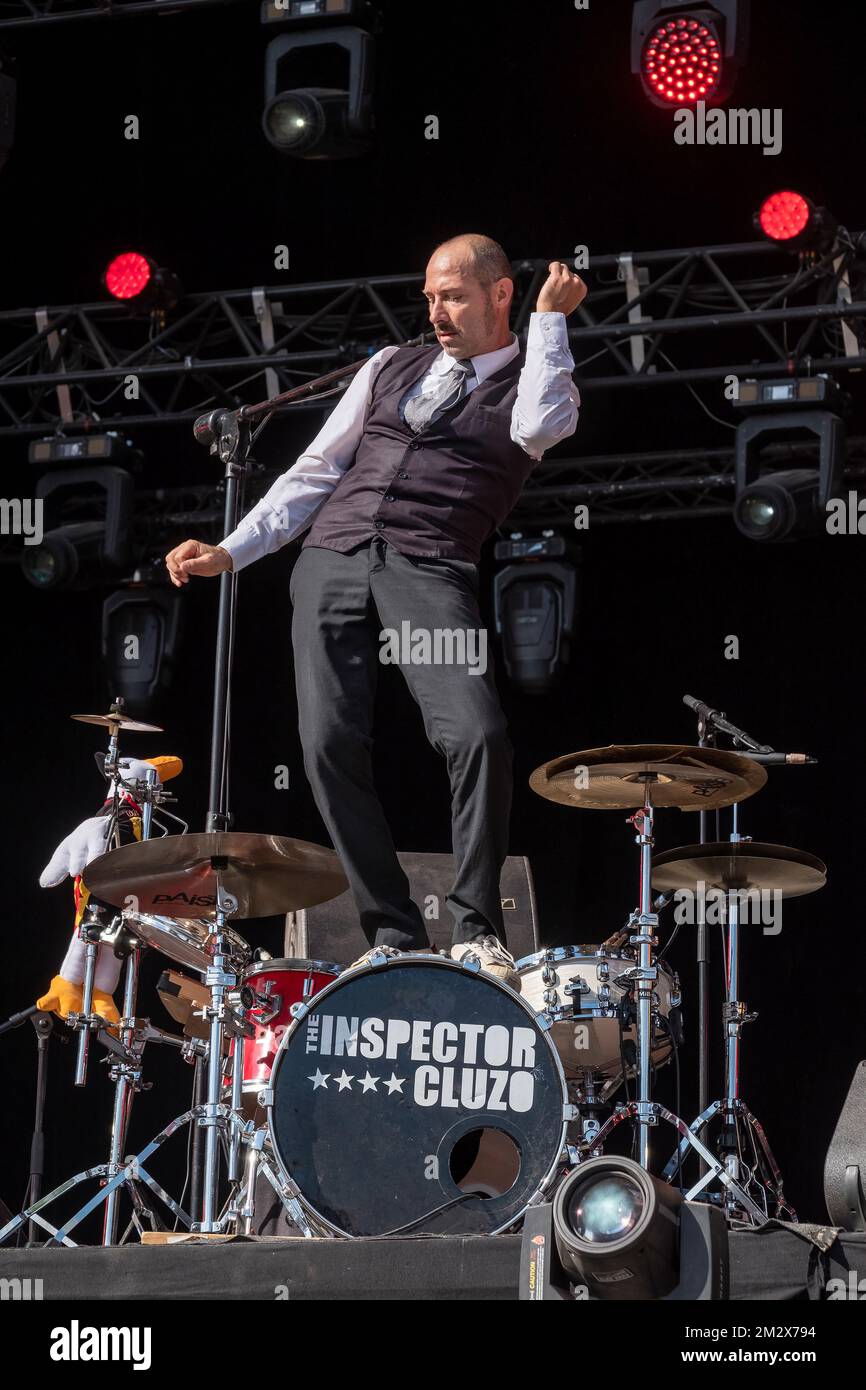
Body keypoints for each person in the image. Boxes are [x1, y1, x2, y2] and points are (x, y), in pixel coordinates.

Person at [166, 234, 585, 990]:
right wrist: (232, 550)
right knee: (326, 743)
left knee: (477, 733)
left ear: (501, 295)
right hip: (330, 560)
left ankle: (475, 926)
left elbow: (539, 429)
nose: (437, 312)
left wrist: (552, 325)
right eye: (429, 296)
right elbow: (316, 469)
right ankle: (388, 928)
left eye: (453, 296)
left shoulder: (534, 376)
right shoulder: (389, 364)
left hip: (429, 567)